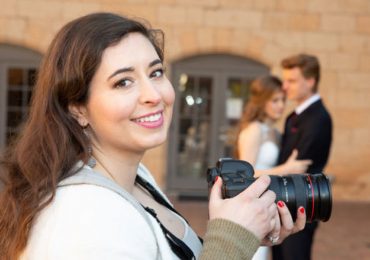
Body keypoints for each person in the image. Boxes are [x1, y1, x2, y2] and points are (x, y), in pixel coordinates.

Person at [0, 13, 306, 260]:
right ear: (78, 108)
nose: (153, 95)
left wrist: (245, 233)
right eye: (123, 82)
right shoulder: (87, 217)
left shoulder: (136, 178)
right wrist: (231, 242)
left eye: (156, 72)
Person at [235, 75, 312, 260]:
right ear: (262, 102)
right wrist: (287, 168)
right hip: (253, 205)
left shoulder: (276, 133)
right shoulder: (253, 130)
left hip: (268, 204)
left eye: (283, 100)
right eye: (275, 100)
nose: (281, 105)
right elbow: (247, 175)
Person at [272, 54, 333, 260]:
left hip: (302, 207)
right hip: (285, 203)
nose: (285, 87)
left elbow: (300, 165)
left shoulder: (318, 118)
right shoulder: (295, 116)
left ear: (310, 81)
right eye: (284, 81)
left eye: (292, 81)